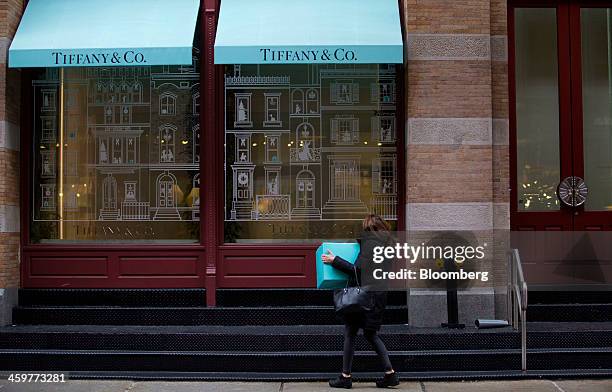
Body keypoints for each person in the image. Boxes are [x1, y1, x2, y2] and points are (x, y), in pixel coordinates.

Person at [322, 214, 399, 389]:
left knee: (350, 333)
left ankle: (345, 376)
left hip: (363, 298)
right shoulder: (387, 245)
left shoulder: (370, 244)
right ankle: (390, 374)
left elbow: (358, 271)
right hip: (378, 296)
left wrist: (335, 261)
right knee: (370, 334)